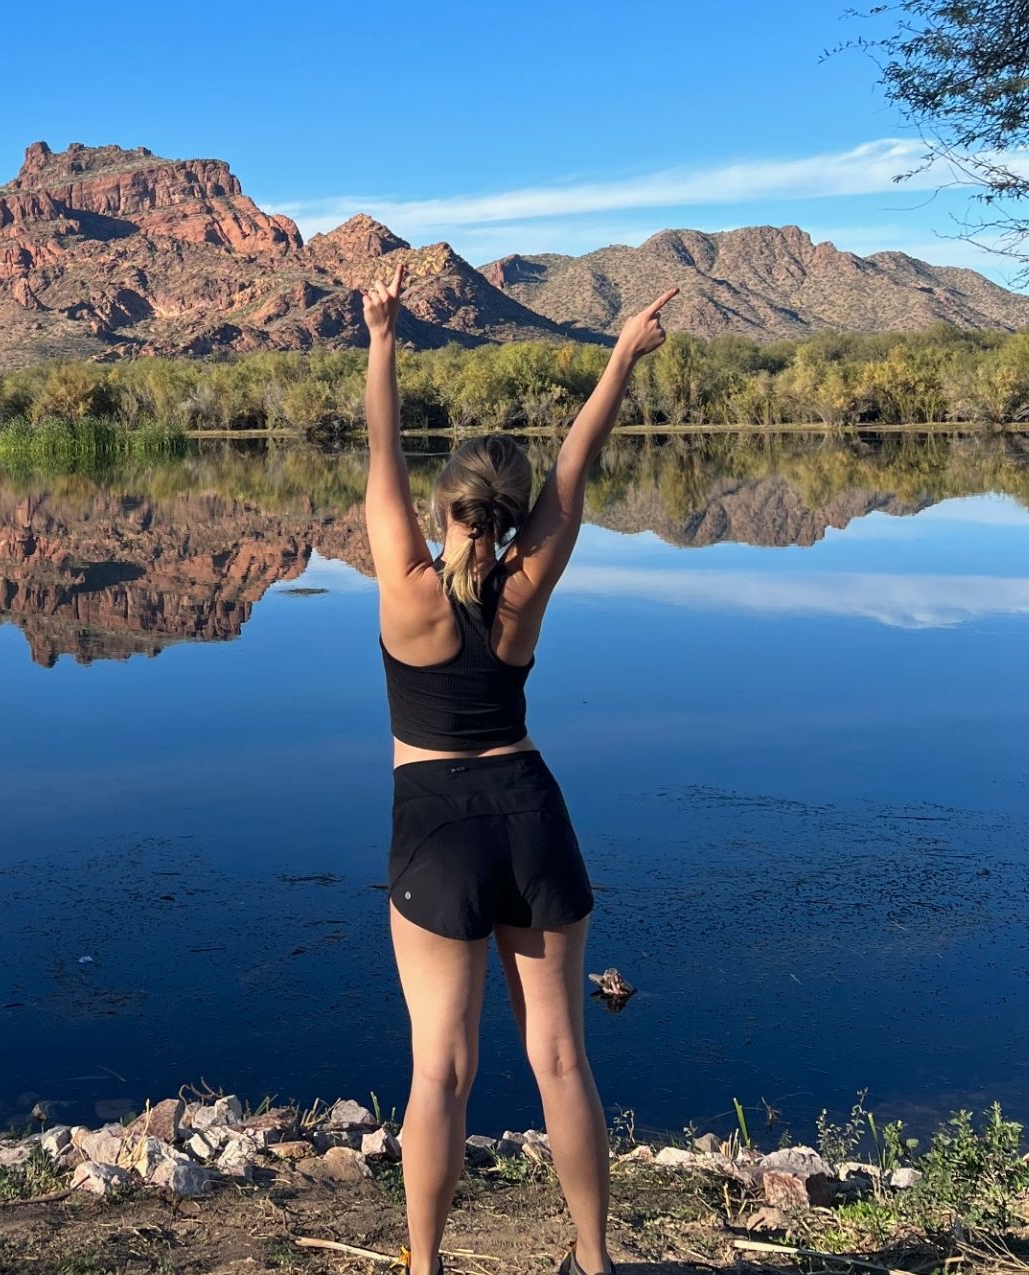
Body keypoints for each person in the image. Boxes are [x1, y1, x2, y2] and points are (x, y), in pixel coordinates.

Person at [361, 260, 677, 1275]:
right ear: (505, 514)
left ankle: (424, 1267)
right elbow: (575, 473)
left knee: (442, 1071)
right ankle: (592, 1262)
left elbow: (381, 458)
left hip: (438, 827)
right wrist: (621, 354)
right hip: (533, 812)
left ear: (448, 506)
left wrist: (381, 341)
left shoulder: (409, 592)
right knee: (561, 1055)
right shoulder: (525, 588)